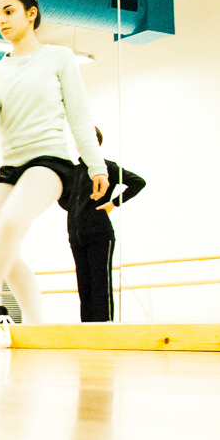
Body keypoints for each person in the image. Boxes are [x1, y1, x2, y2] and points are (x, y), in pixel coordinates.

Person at [0, 0, 109, 324]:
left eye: (9, 11)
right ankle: (35, 324)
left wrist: (97, 166)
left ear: (31, 14)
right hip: (11, 169)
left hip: (50, 164)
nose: (1, 20)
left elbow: (79, 115)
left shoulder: (59, 57)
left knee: (9, 223)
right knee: (5, 250)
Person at [66, 127, 146, 322]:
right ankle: (88, 331)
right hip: (77, 237)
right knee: (84, 288)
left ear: (95, 143)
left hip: (99, 234)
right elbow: (66, 199)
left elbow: (138, 182)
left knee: (100, 286)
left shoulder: (106, 167)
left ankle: (104, 329)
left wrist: (113, 203)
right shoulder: (74, 172)